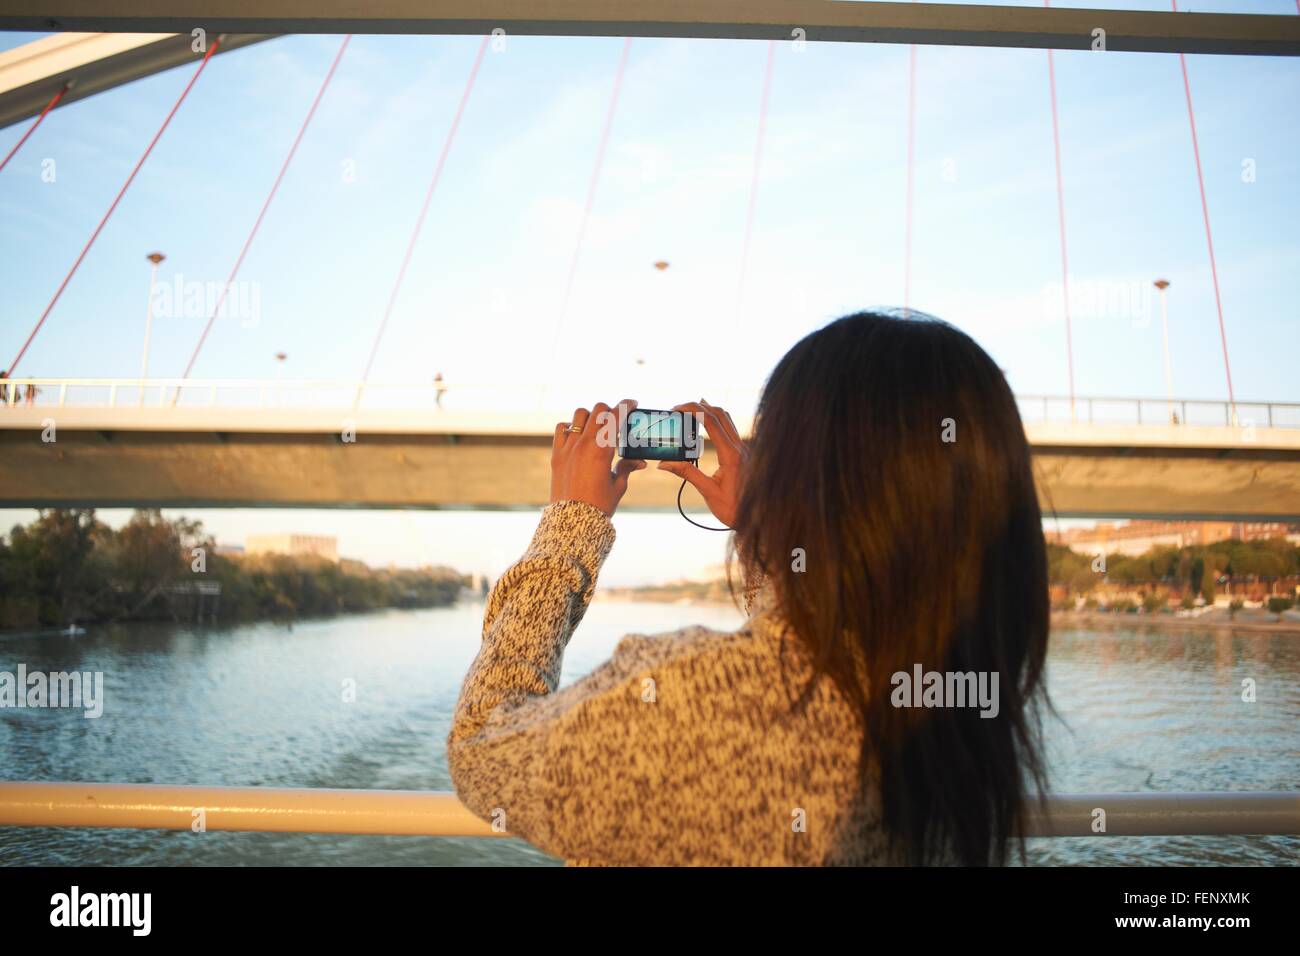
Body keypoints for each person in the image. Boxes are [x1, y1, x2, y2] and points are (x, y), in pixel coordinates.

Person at [446, 310, 1052, 866]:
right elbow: (819, 629)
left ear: (796, 477)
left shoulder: (692, 702)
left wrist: (570, 526)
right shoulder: (962, 709)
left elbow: (483, 746)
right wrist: (772, 536)